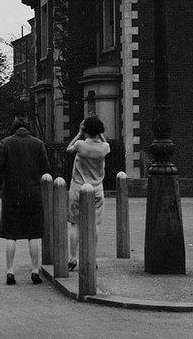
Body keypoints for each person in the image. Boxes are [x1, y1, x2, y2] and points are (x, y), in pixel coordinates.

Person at [0, 119, 49, 285]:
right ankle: (34, 271)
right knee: (33, 234)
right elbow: (46, 167)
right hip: (33, 194)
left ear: (14, 129)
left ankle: (10, 272)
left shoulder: (6, 143)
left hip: (11, 194)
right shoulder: (38, 144)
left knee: (11, 234)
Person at [65, 116, 111, 271]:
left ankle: (72, 257)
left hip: (78, 187)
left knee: (75, 223)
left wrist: (79, 133)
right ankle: (92, 256)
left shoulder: (80, 145)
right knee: (95, 223)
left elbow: (68, 149)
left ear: (86, 130)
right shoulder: (104, 148)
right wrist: (101, 133)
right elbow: (106, 143)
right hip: (97, 188)